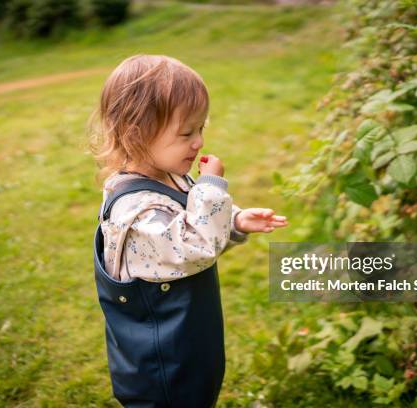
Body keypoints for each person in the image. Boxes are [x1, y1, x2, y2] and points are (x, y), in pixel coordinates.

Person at [90, 54, 288, 407]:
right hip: (162, 366)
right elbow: (194, 246)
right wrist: (211, 187)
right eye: (186, 133)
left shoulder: (169, 176)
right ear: (137, 135)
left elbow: (190, 225)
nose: (198, 142)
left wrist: (236, 221)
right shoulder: (136, 210)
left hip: (186, 342)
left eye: (201, 129)